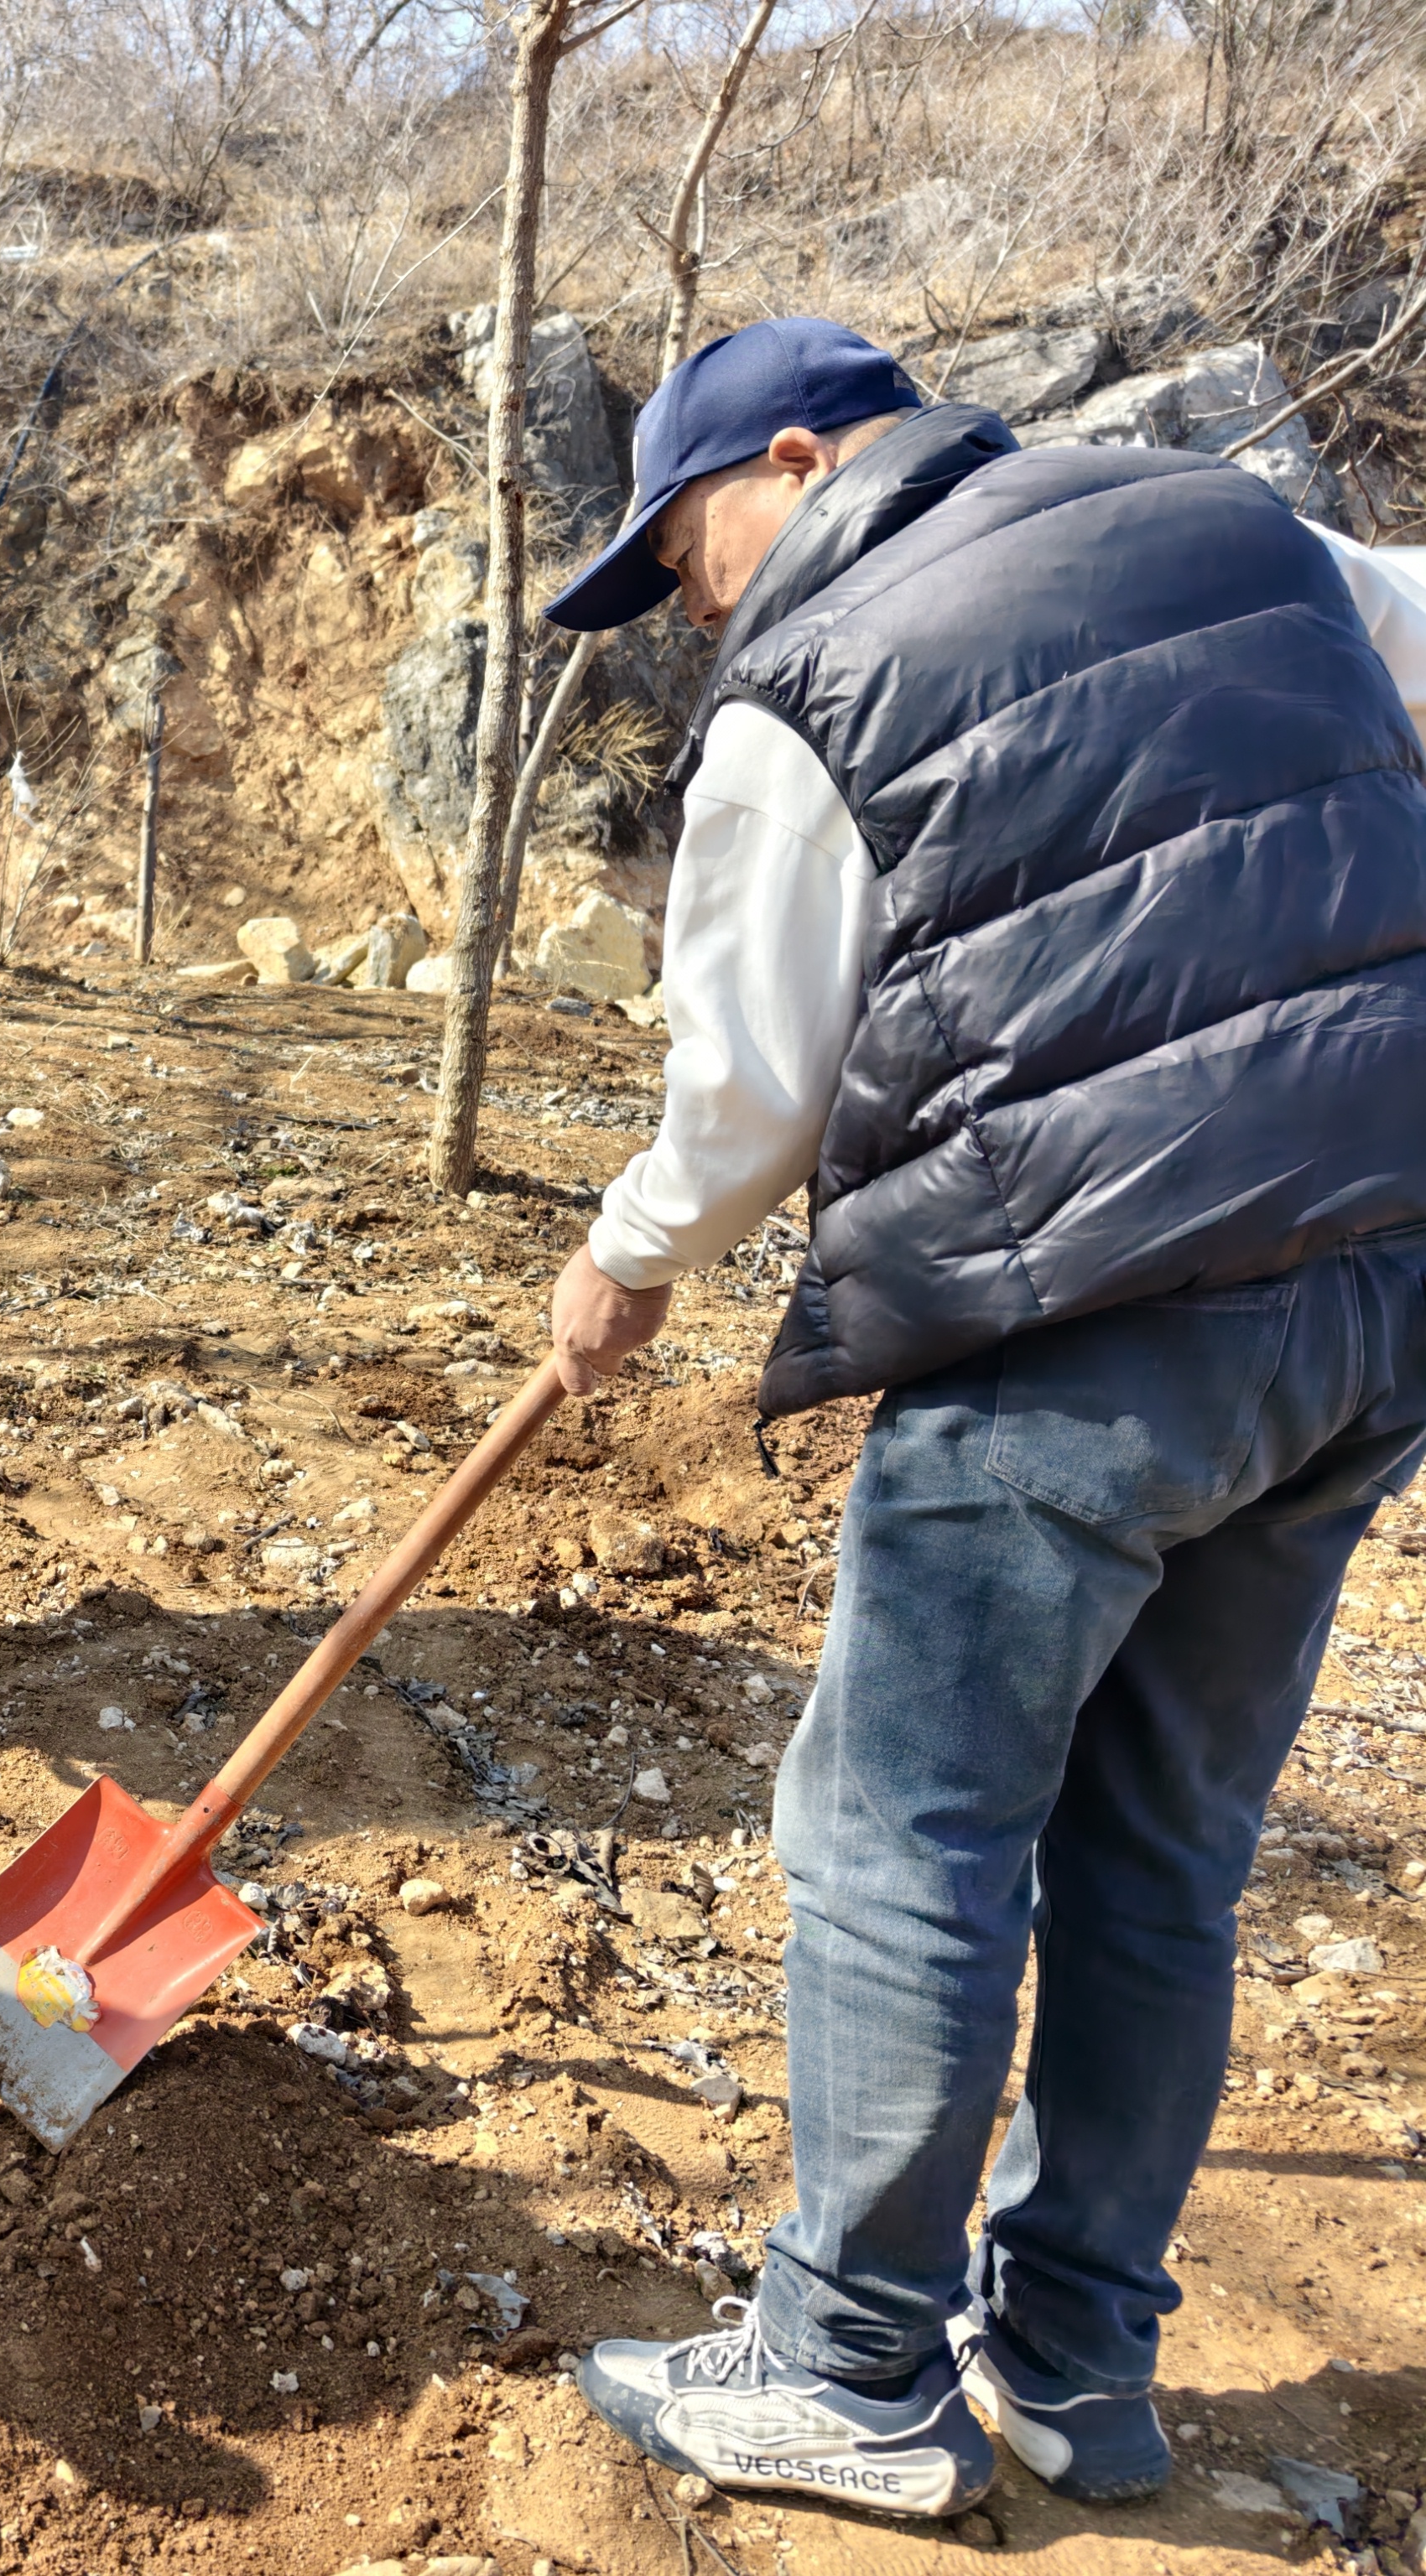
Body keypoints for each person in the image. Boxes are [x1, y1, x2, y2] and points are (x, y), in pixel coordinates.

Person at [530, 319, 1426, 2516]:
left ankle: (845, 2366)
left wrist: (628, 1255)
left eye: (687, 550)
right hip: (1375, 1285)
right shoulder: (1248, 529)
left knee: (902, 1825)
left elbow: (747, 1099)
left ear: (800, 458)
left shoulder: (817, 679)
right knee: (1164, 1843)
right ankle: (1072, 2366)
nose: (693, 609)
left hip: (1087, 1307)